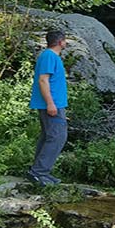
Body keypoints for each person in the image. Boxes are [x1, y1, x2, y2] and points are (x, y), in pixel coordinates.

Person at [27, 28, 68, 186]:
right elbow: (43, 80)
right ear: (60, 42)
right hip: (51, 104)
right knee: (58, 137)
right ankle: (38, 172)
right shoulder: (50, 56)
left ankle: (41, 171)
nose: (66, 43)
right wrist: (51, 103)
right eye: (65, 40)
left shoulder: (50, 56)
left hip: (55, 104)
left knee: (48, 136)